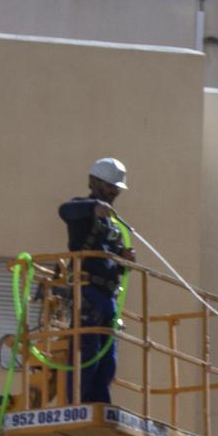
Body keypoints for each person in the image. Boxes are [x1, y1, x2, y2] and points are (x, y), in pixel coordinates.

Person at [57, 158, 135, 405]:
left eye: (115, 188)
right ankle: (78, 404)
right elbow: (64, 210)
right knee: (86, 353)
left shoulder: (113, 226)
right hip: (87, 292)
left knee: (107, 360)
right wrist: (94, 206)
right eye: (109, 186)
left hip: (108, 297)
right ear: (94, 182)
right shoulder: (82, 210)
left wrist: (124, 260)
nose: (113, 192)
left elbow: (113, 267)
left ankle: (100, 404)